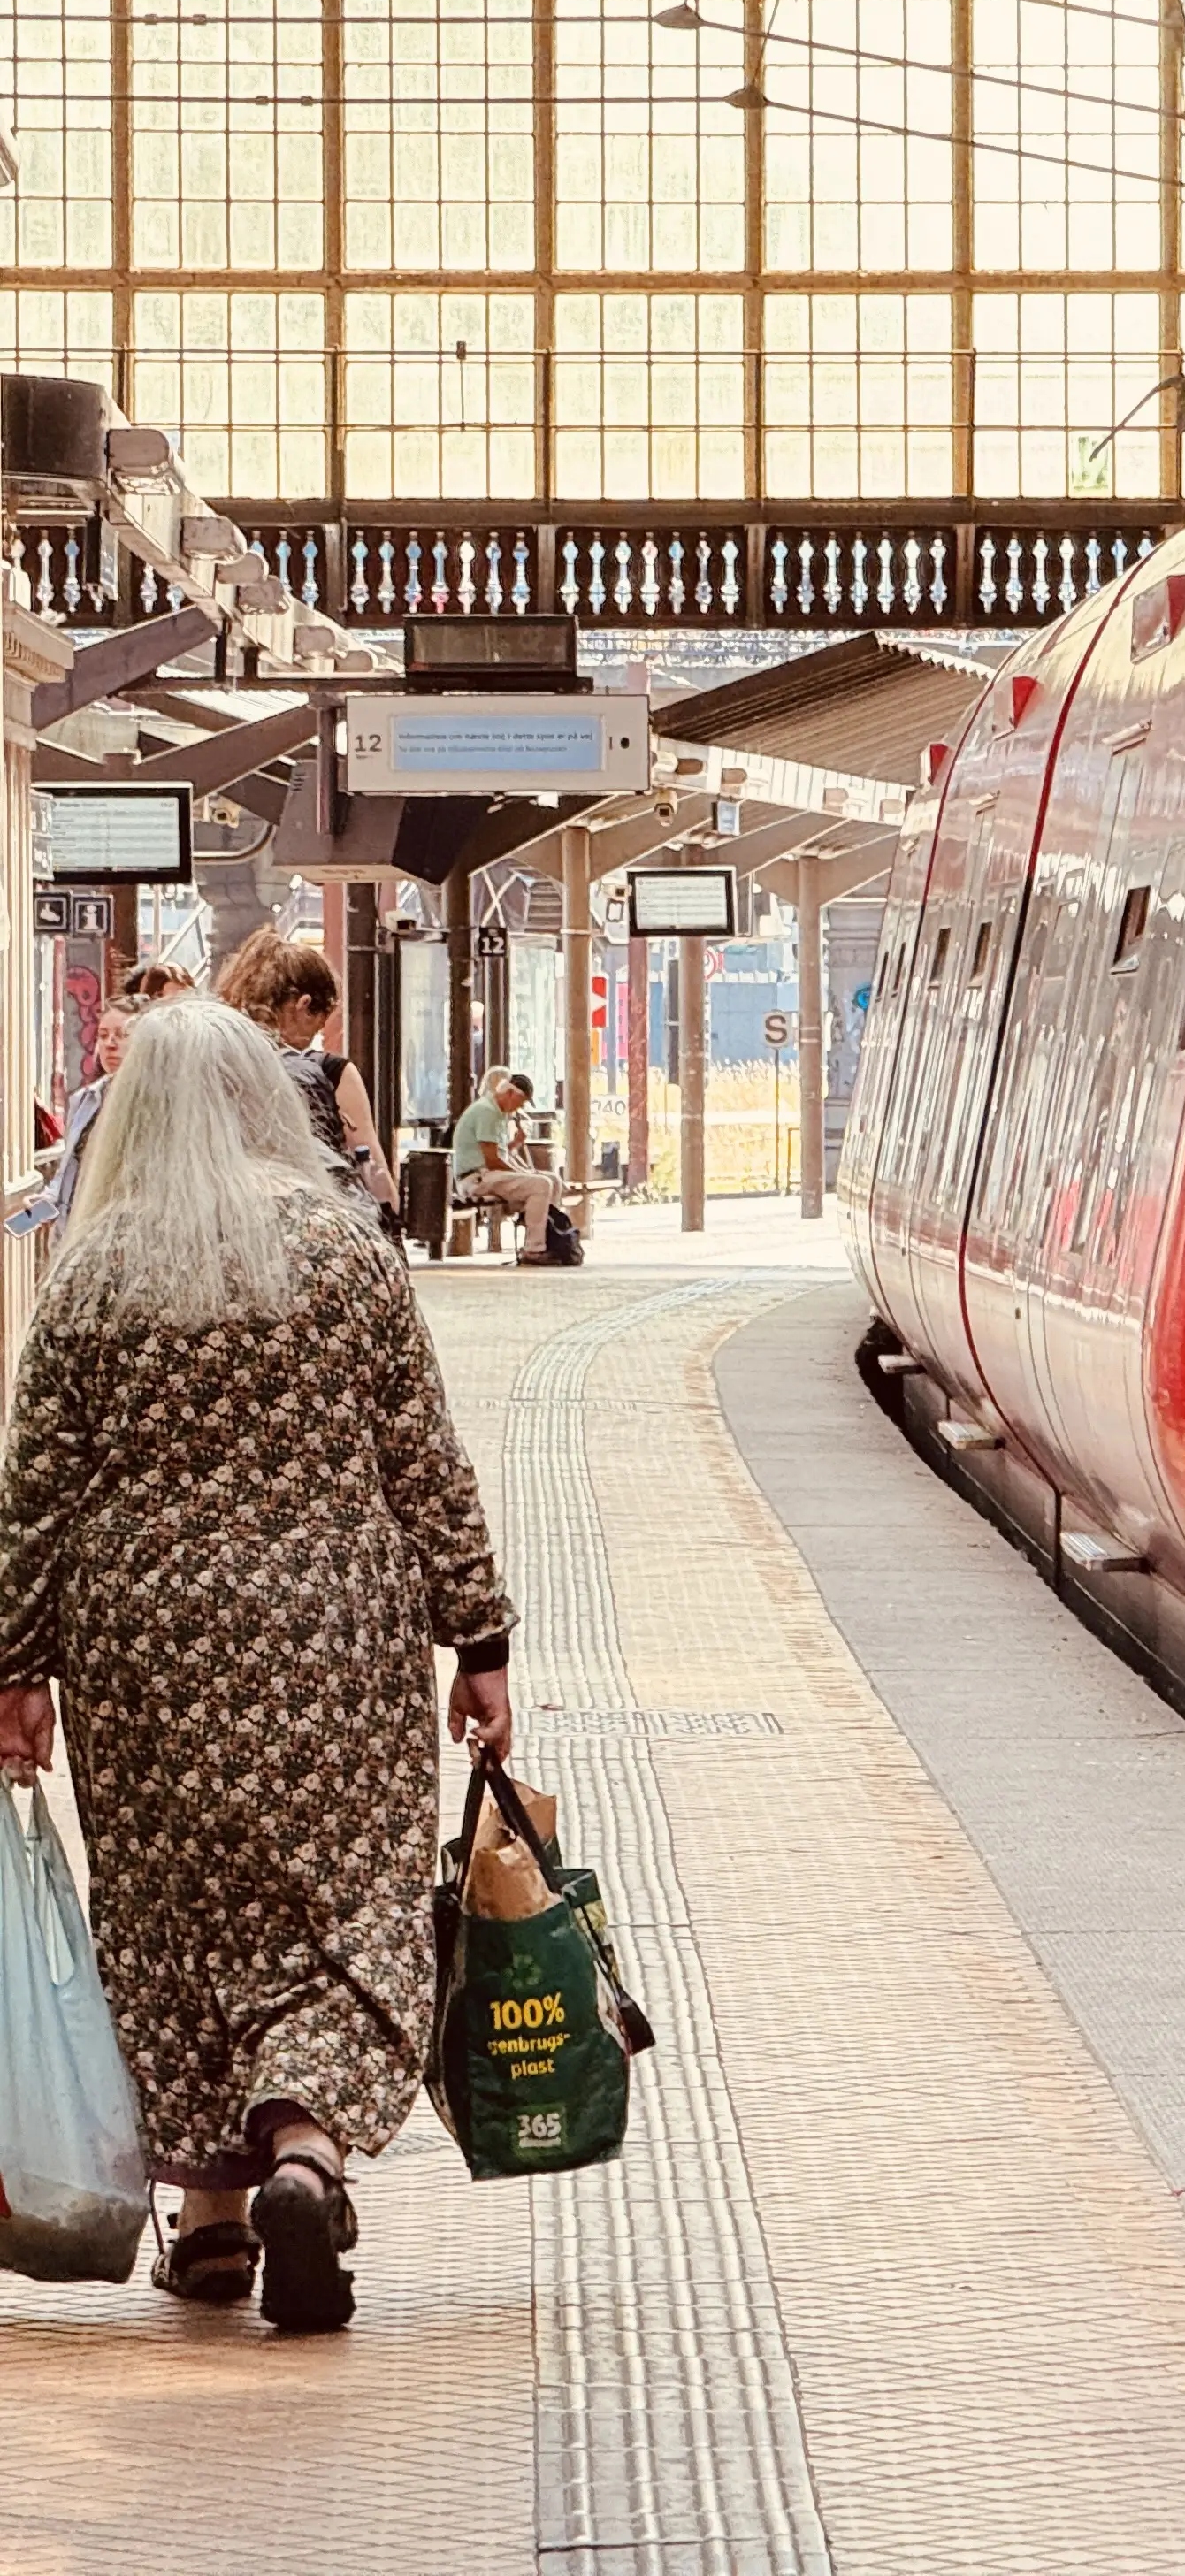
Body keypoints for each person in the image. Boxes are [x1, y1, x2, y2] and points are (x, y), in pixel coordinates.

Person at [0, 998, 514, 2334]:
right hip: (338, 1632)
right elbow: (425, 1463)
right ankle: (305, 2151)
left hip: (146, 1651)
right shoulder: (346, 1256)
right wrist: (483, 1641)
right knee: (343, 1908)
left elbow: (35, 1497)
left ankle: (213, 2229)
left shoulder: (95, 1270)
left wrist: (15, 1670)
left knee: (175, 1923)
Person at [216, 930, 399, 1218]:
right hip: (309, 1218)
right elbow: (370, 1163)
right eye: (319, 1025)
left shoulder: (217, 1060)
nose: (315, 1038)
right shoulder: (330, 1072)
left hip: (229, 1213)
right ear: (304, 1006)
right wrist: (390, 1222)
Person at [35, 992, 149, 1231]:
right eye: (103, 1035)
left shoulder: (153, 1106)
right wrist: (45, 1202)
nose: (110, 1044)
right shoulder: (86, 1100)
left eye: (123, 1035)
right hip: (73, 1239)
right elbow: (69, 1173)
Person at [449, 1070, 563, 1266]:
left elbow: (499, 1155)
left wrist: (515, 1145)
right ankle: (533, 1249)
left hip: (488, 1174)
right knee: (541, 1185)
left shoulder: (499, 1113)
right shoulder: (487, 1112)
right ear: (511, 1094)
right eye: (521, 1102)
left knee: (553, 1180)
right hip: (475, 1178)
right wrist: (524, 1174)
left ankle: (548, 1238)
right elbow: (492, 1161)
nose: (520, 1107)